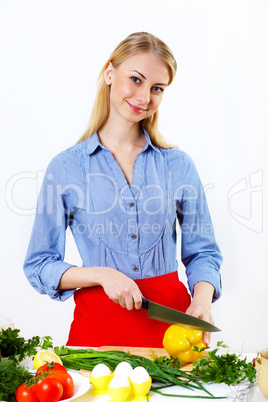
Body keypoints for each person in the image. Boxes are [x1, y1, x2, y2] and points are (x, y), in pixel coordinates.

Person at [23, 32, 222, 348]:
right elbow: (40, 264)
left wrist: (201, 301)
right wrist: (101, 274)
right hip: (97, 333)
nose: (145, 97)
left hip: (174, 332)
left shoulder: (178, 165)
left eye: (157, 88)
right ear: (109, 73)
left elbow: (204, 252)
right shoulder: (66, 167)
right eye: (136, 79)